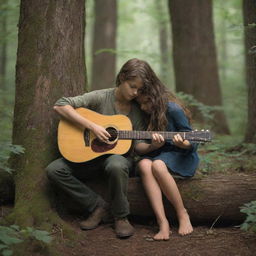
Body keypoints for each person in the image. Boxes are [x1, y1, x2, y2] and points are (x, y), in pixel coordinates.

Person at [46, 58, 148, 238]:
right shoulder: (101, 97)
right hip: (88, 157)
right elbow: (60, 105)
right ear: (122, 78)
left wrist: (154, 143)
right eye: (132, 86)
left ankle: (121, 217)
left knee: (116, 163)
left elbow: (139, 147)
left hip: (117, 159)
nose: (135, 92)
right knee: (54, 170)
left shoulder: (136, 110)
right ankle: (97, 206)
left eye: (139, 89)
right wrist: (92, 127)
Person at [134, 63, 199, 241]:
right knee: (144, 164)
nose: (143, 107)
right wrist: (153, 146)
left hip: (180, 155)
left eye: (146, 102)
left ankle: (182, 213)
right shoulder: (143, 115)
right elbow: (140, 147)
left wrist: (183, 143)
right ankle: (162, 222)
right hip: (157, 153)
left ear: (155, 97)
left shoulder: (173, 109)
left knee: (157, 165)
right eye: (140, 103)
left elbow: (191, 140)